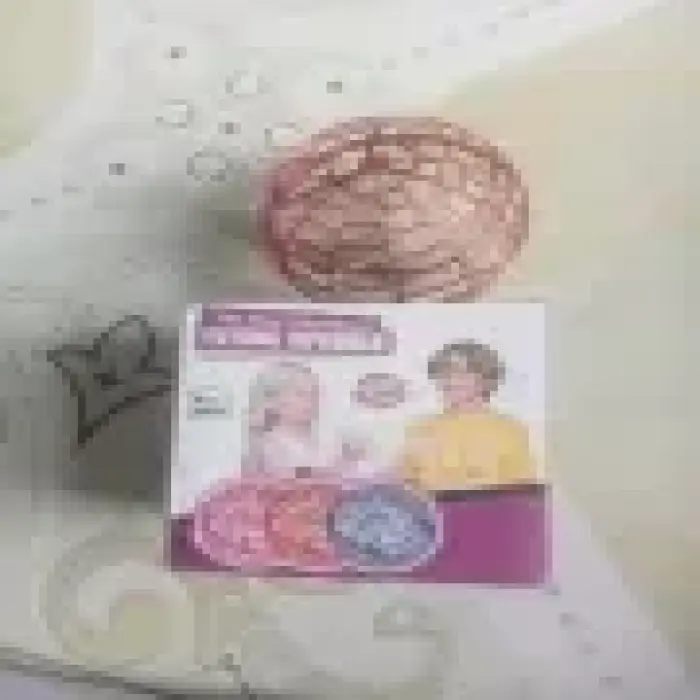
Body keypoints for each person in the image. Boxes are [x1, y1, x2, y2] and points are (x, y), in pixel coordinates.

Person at [398, 340, 537, 492]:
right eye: (444, 375)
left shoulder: (510, 430)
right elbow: (403, 487)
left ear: (485, 380)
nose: (450, 382)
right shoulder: (421, 428)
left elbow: (523, 492)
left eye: (461, 375)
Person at [243, 361, 372, 478]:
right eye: (301, 394)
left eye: (314, 393)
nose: (310, 401)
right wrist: (334, 470)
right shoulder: (267, 447)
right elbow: (289, 477)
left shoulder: (324, 445)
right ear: (274, 400)